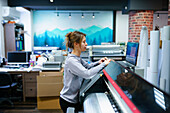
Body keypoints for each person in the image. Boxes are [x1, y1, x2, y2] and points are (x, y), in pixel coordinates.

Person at [59, 31, 111, 113]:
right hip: (68, 101)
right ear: (76, 44)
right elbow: (87, 74)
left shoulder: (77, 58)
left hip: (75, 99)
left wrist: (99, 62)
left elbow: (88, 66)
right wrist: (104, 64)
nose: (86, 44)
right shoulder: (72, 61)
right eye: (83, 42)